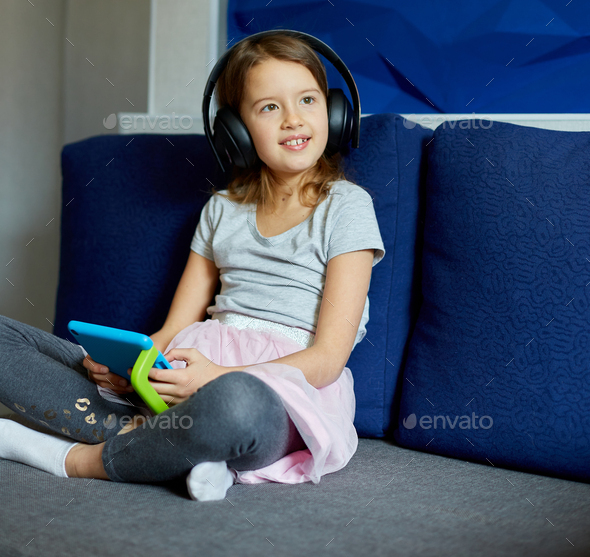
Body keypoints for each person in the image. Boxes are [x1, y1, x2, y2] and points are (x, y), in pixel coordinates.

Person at [0, 31, 385, 500]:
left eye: (307, 99)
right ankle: (179, 447)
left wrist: (218, 378)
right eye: (268, 108)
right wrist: (130, 366)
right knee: (8, 337)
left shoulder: (346, 206)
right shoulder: (221, 210)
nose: (293, 119)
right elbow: (173, 328)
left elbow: (326, 361)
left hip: (280, 393)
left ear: (335, 112)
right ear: (236, 133)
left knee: (233, 406)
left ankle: (75, 457)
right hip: (187, 373)